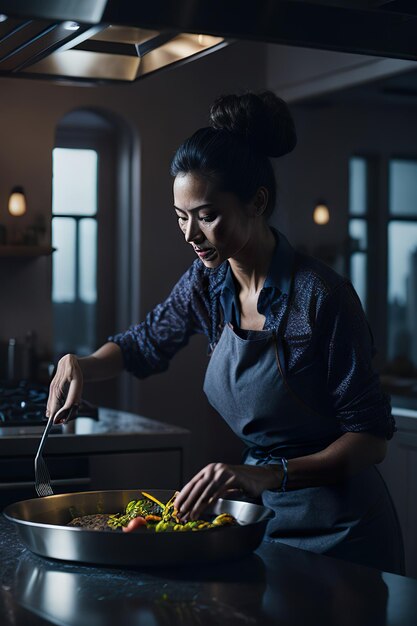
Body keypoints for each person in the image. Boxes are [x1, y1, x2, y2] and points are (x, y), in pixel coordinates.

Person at [47, 91, 404, 574]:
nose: (191, 234)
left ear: (257, 202)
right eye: (181, 217)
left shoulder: (322, 296)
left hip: (346, 533)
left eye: (207, 215)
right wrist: (81, 363)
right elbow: (143, 344)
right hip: (265, 520)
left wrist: (265, 474)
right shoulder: (207, 283)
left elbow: (370, 439)